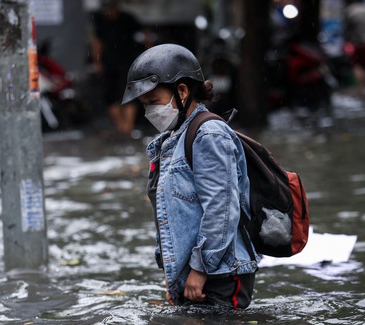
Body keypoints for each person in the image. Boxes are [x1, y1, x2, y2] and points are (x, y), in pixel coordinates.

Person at [121, 44, 258, 309]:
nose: (149, 112)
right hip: (191, 275)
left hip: (218, 275)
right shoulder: (171, 140)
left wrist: (201, 269)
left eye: (153, 102)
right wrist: (172, 277)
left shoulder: (209, 135)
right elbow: (169, 216)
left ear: (181, 91)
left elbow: (221, 208)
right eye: (144, 105)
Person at [91, 0, 149, 138]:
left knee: (129, 96)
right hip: (110, 64)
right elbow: (97, 43)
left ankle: (128, 127)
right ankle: (122, 127)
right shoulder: (101, 21)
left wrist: (147, 54)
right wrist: (97, 61)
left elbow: (145, 35)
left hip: (127, 63)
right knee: (111, 97)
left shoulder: (127, 19)